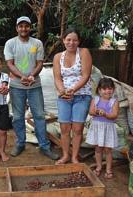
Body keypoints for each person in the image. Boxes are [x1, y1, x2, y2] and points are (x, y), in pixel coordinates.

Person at [4, 16, 59, 160]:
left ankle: (44, 146)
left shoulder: (37, 43)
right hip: (17, 85)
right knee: (17, 117)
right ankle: (20, 143)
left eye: (26, 26)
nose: (23, 28)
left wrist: (31, 76)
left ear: (30, 28)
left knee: (39, 115)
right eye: (20, 26)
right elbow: (10, 63)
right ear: (17, 28)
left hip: (34, 85)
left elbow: (40, 63)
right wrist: (22, 76)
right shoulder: (10, 43)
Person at [53, 28, 93, 164]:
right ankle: (65, 155)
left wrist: (73, 90)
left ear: (79, 41)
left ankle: (75, 157)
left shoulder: (84, 52)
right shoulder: (58, 57)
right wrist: (63, 91)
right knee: (64, 128)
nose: (71, 42)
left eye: (75, 40)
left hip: (82, 96)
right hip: (64, 97)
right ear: (63, 40)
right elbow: (57, 78)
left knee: (77, 128)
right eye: (68, 39)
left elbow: (86, 75)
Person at [86, 77, 119, 179]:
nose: (107, 91)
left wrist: (105, 114)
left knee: (108, 150)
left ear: (113, 89)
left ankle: (108, 169)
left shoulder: (114, 101)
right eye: (104, 89)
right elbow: (91, 112)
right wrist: (96, 111)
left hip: (108, 128)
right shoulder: (95, 100)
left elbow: (114, 115)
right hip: (97, 127)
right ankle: (99, 167)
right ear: (99, 90)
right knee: (98, 149)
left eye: (110, 88)